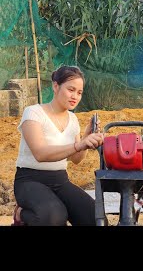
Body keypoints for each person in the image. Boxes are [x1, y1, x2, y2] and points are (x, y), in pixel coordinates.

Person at [12, 65, 104, 226]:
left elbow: (76, 159)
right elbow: (40, 153)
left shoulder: (73, 120)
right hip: (29, 180)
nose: (75, 96)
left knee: (95, 218)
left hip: (60, 181)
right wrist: (78, 145)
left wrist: (86, 139)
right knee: (54, 217)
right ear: (56, 86)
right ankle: (22, 214)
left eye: (79, 92)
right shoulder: (33, 113)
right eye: (71, 89)